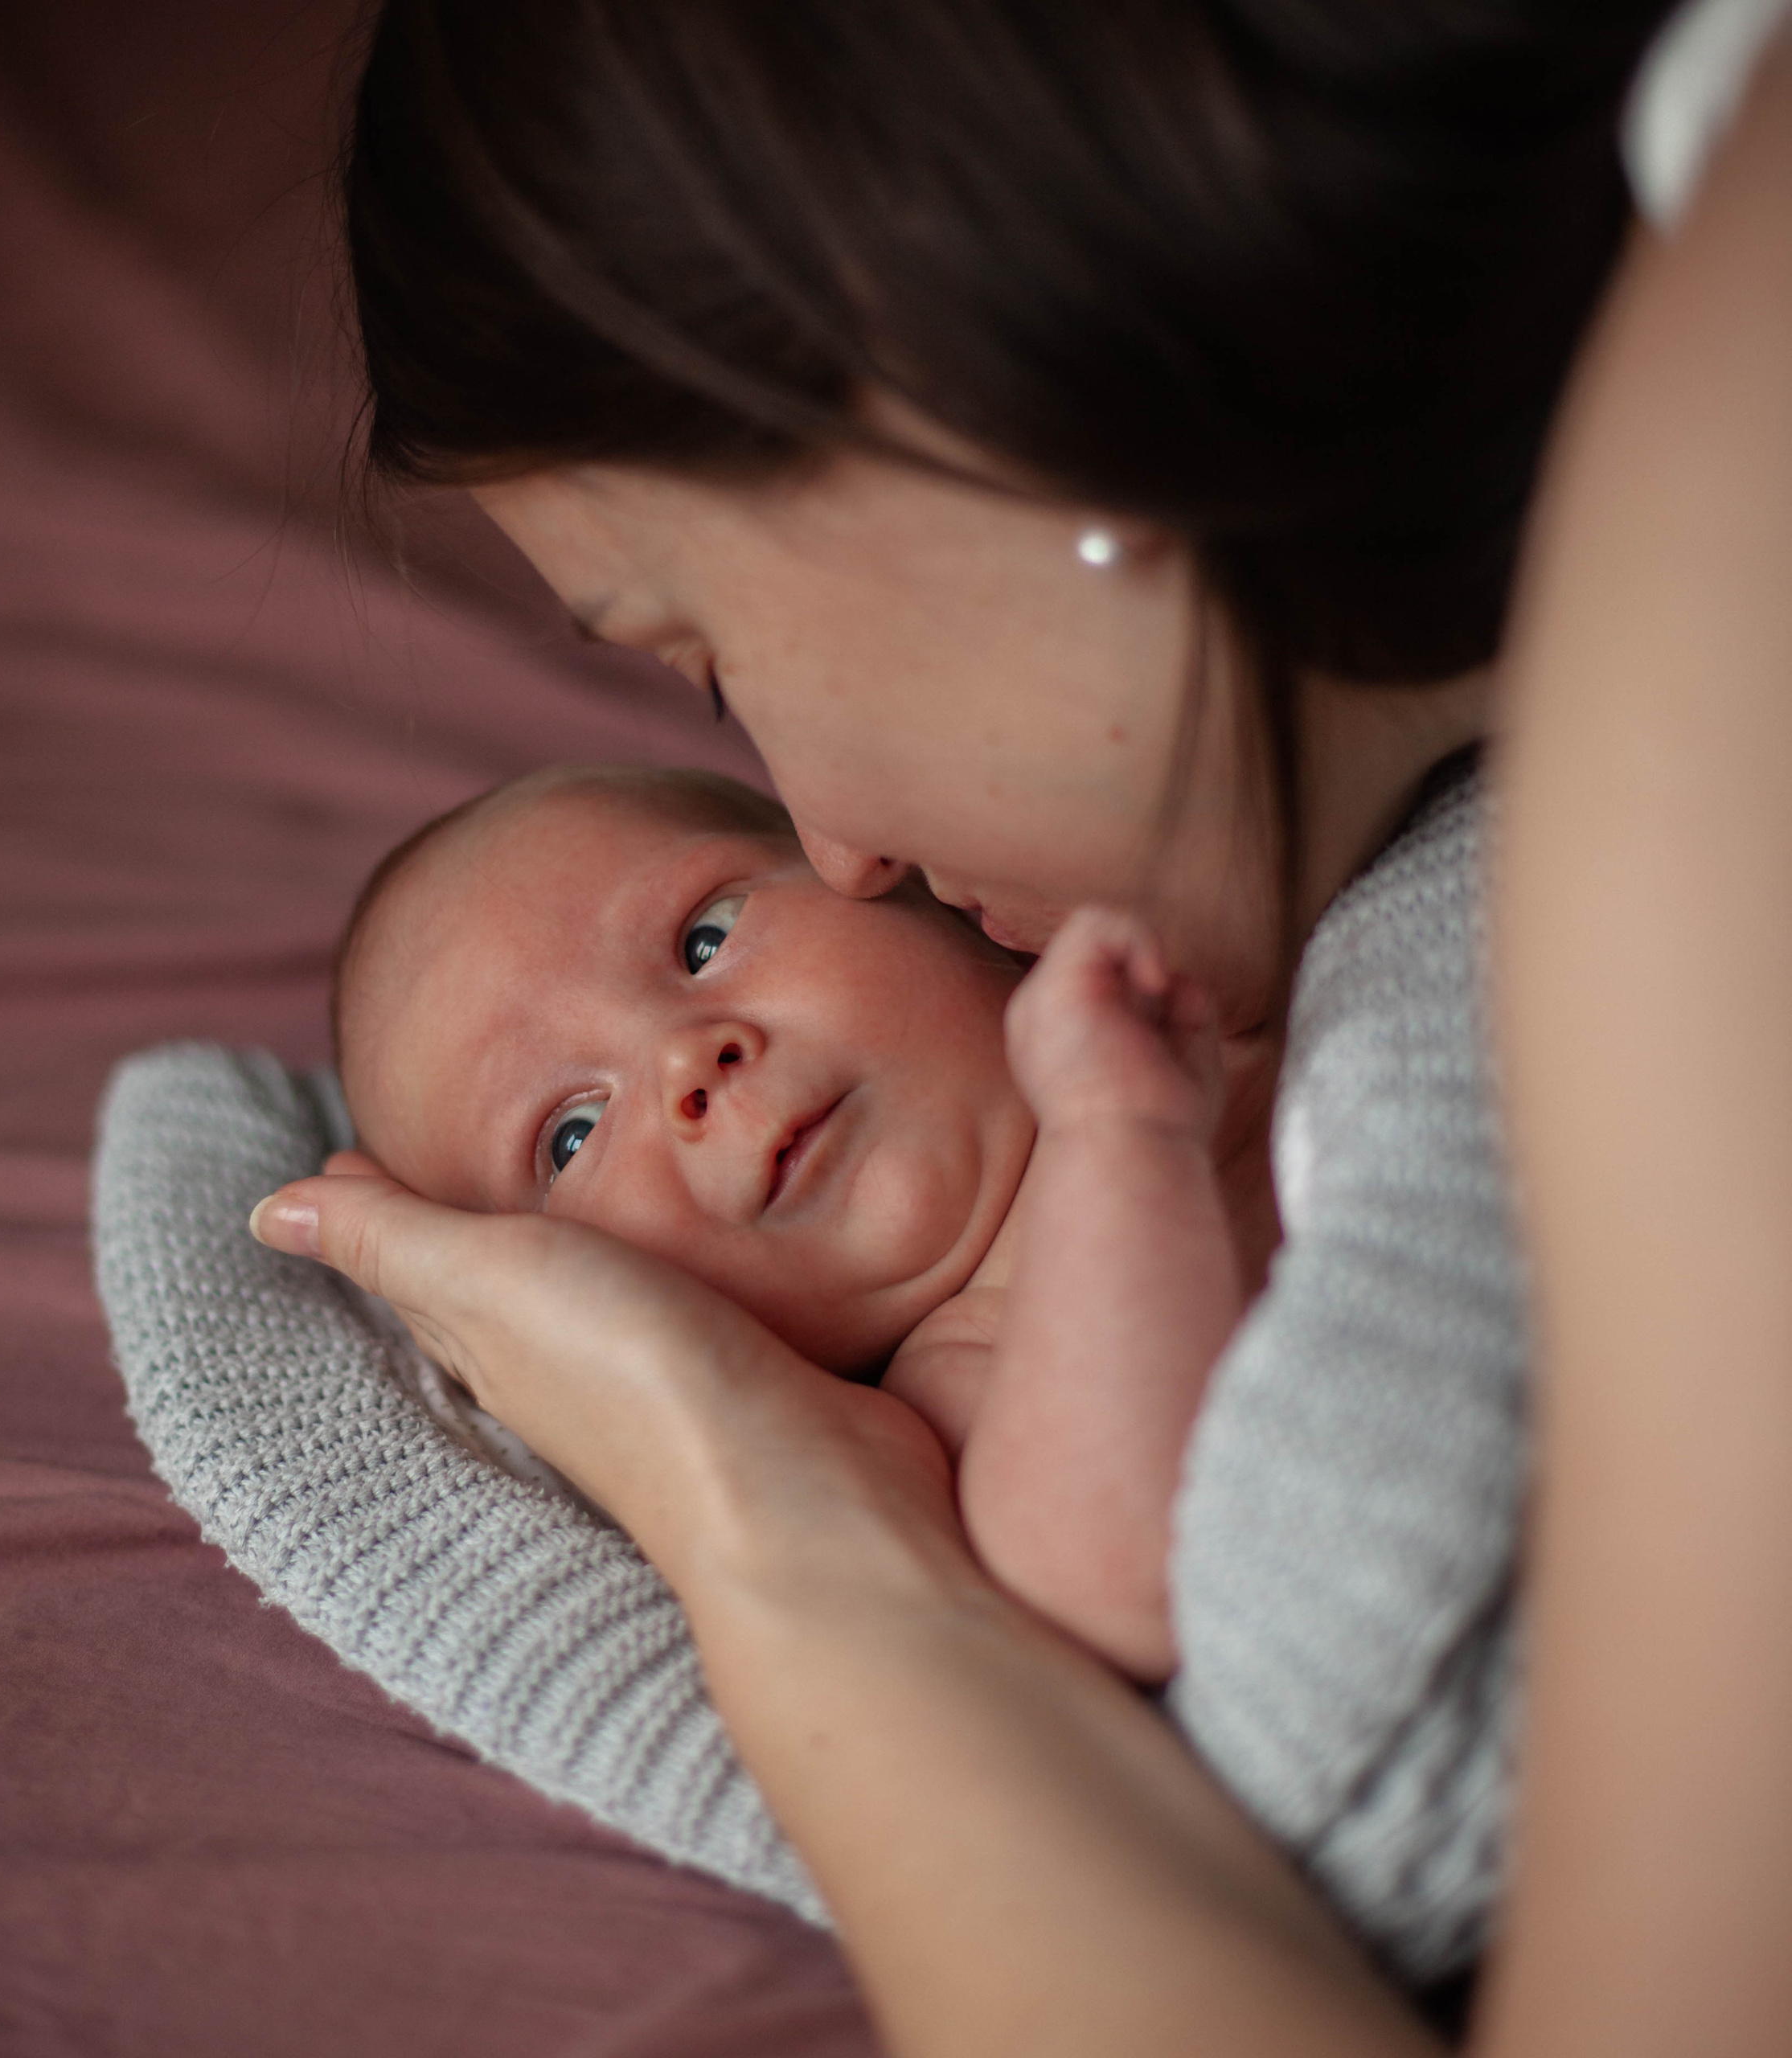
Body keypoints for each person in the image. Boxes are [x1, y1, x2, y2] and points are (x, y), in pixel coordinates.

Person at [248, 1, 1792, 2047]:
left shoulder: (1718, 497)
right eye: (564, 1132)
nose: (839, 837)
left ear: (954, 390)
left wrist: (753, 1515)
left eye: (705, 660)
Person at [334, 760, 1240, 1680]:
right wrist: (1119, 1138)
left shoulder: (1189, 945)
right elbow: (1139, 1585)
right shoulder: (975, 1379)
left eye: (704, 939)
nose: (688, 1058)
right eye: (571, 1136)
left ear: (889, 871)